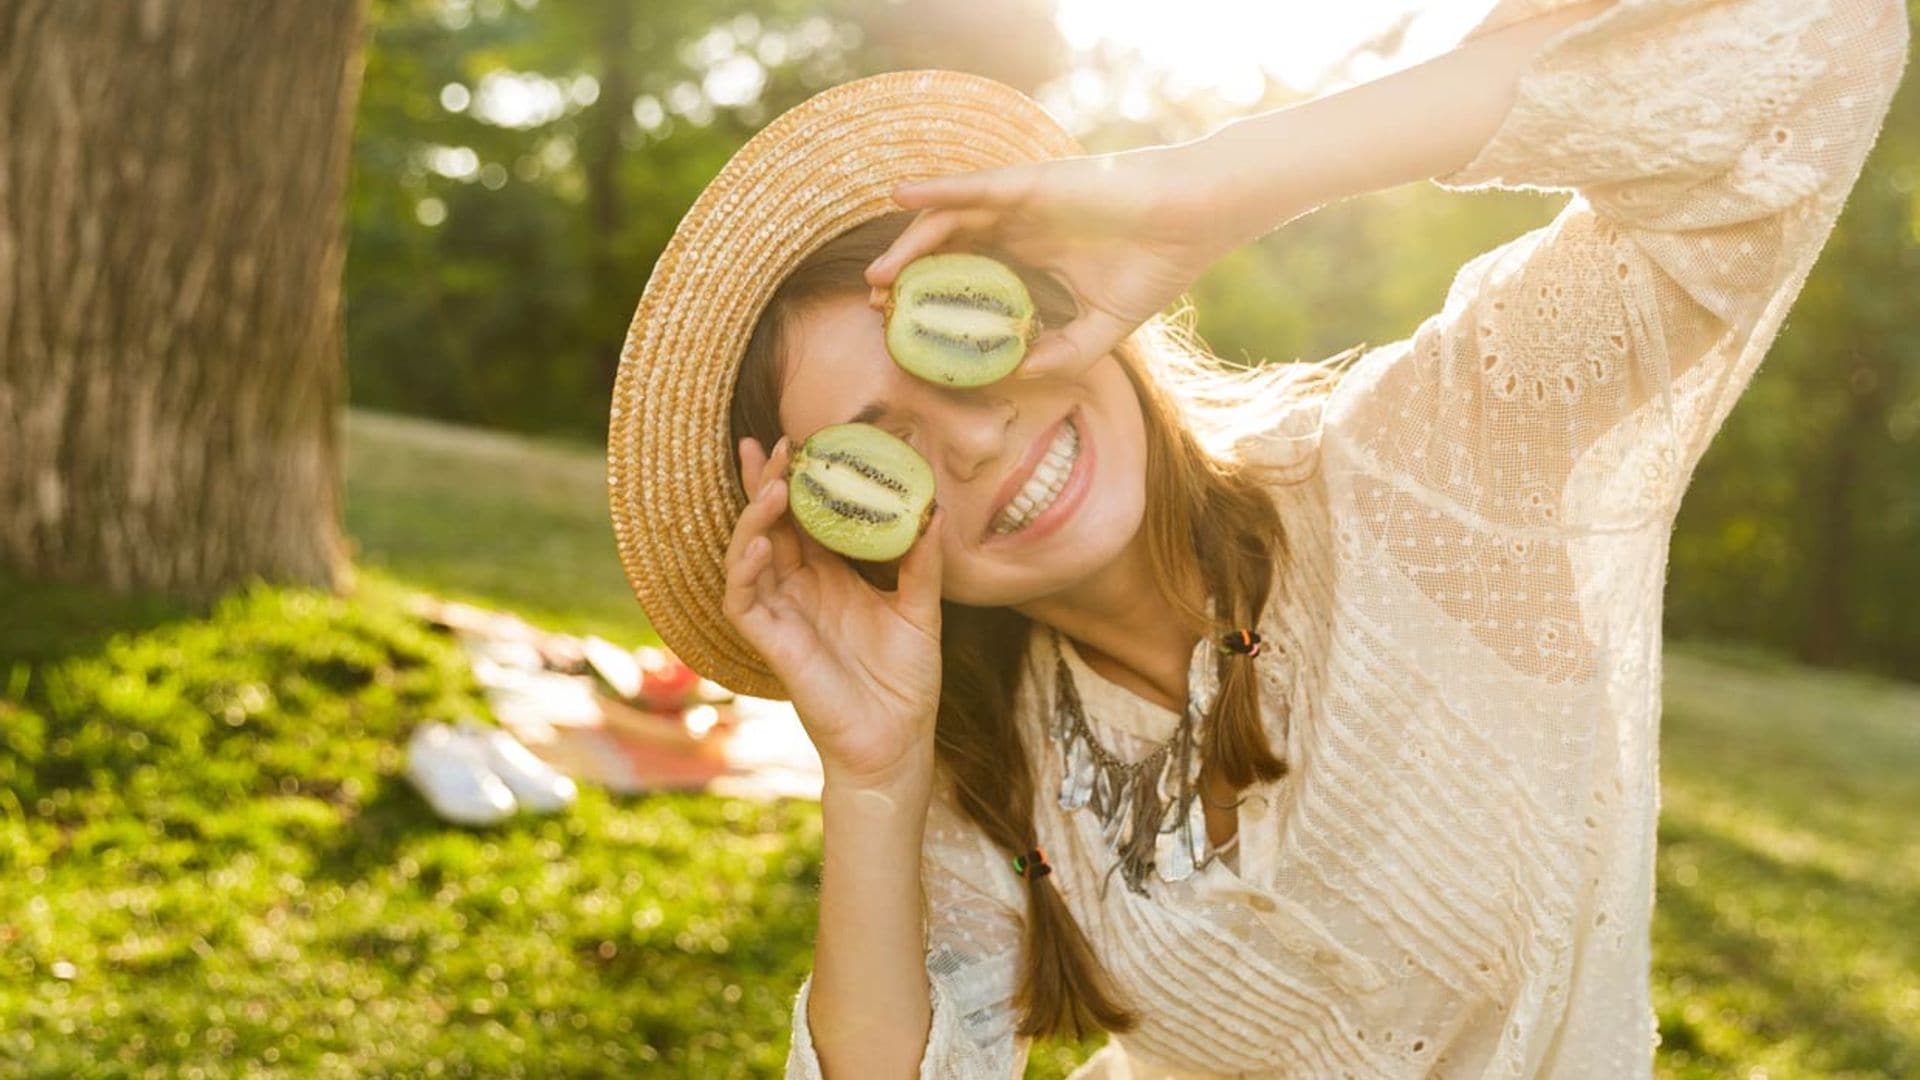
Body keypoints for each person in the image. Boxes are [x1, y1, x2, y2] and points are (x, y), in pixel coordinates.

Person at [604, 0, 1909, 1075]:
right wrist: (878, 783)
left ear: (1051, 298)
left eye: (961, 335)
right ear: (857, 536)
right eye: (880, 456)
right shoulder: (997, 762)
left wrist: (1215, 186)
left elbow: (1812, 48)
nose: (977, 439)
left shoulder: (1436, 459)